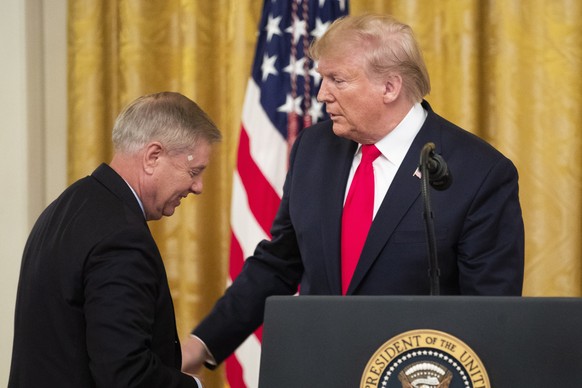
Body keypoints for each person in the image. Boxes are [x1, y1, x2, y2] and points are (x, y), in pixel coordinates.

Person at [182, 14, 524, 372]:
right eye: (321, 78)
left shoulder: (480, 172)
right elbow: (279, 262)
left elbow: (490, 313)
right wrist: (202, 344)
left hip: (411, 375)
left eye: (337, 80)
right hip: (317, 371)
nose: (321, 94)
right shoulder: (313, 148)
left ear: (389, 87)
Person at [9, 92, 221, 388]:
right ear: (153, 156)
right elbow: (125, 375)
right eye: (194, 171)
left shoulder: (64, 207)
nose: (198, 187)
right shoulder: (122, 237)